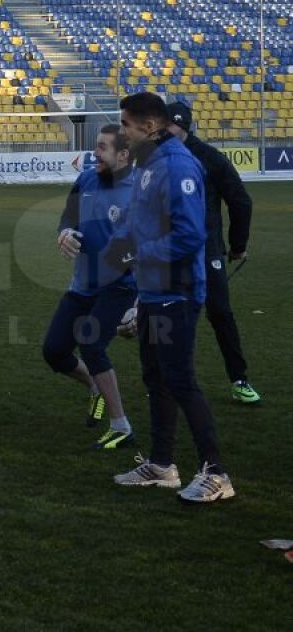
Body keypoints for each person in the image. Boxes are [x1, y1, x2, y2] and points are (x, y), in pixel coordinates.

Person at [107, 92, 234, 503]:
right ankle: (162, 465)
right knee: (156, 377)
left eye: (125, 124)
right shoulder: (149, 162)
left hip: (177, 291)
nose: (121, 132)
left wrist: (137, 254)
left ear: (148, 126)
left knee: (179, 379)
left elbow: (190, 235)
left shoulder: (178, 165)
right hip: (153, 291)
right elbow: (139, 222)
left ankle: (217, 473)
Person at [42, 124, 137, 449]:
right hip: (82, 284)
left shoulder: (140, 190)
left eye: (102, 148)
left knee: (91, 343)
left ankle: (121, 426)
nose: (94, 153)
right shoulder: (85, 179)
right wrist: (64, 233)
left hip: (120, 285)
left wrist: (138, 303)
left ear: (123, 155)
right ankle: (95, 386)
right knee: (54, 351)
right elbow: (67, 218)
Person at [166, 102, 259, 404]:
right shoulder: (156, 158)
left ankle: (239, 379)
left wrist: (237, 245)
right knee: (169, 316)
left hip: (204, 251)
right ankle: (166, 381)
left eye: (171, 126)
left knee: (218, 314)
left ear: (184, 127)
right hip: (171, 252)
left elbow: (241, 202)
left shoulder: (208, 157)